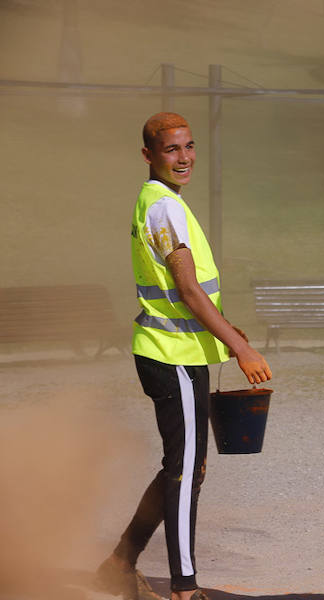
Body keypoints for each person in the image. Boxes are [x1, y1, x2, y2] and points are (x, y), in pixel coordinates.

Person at [94, 112, 273, 600]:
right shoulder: (164, 207)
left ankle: (119, 562)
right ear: (149, 155)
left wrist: (225, 330)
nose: (184, 157)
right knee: (184, 471)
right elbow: (189, 290)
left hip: (174, 352)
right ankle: (184, 588)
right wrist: (241, 348)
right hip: (170, 356)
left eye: (189, 147)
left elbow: (191, 297)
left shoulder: (158, 201)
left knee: (185, 466)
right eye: (171, 149)